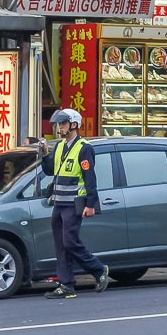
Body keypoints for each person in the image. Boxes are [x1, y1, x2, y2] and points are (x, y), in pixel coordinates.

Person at [40, 108, 109, 300]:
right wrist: (45, 154)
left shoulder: (84, 148)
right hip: (59, 203)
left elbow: (90, 178)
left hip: (73, 204)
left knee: (70, 242)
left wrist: (90, 204)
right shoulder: (60, 146)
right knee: (61, 245)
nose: (59, 127)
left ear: (74, 125)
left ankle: (99, 270)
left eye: (63, 124)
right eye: (59, 124)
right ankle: (66, 284)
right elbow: (49, 171)